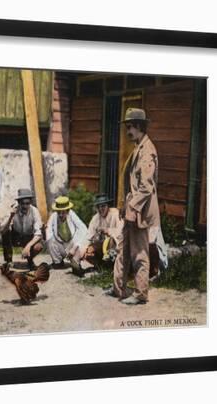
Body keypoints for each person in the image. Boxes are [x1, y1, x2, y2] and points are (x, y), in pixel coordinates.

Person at [108, 108, 161, 305]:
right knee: (123, 250)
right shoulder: (138, 148)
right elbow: (132, 184)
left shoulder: (148, 151)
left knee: (139, 253)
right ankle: (119, 288)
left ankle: (140, 293)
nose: (127, 131)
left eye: (129, 127)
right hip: (131, 209)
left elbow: (146, 188)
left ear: (139, 127)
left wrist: (133, 209)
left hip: (139, 213)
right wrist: (124, 206)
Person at [72, 194, 123, 269]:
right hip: (101, 245)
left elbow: (121, 232)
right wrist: (81, 251)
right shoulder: (95, 218)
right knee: (88, 252)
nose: (100, 209)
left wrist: (108, 230)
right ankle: (101, 266)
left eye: (103, 206)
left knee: (110, 241)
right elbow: (88, 236)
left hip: (116, 245)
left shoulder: (115, 214)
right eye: (98, 206)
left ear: (108, 206)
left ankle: (112, 266)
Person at [0, 188, 44, 269]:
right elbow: (2, 230)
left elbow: (38, 233)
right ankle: (8, 261)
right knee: (6, 233)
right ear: (19, 202)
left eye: (27, 203)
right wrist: (10, 217)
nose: (25, 206)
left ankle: (30, 260)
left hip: (28, 237)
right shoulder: (13, 210)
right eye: (22, 203)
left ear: (30, 202)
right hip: (16, 236)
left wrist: (28, 246)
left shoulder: (34, 211)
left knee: (39, 246)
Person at [45, 196, 88, 270]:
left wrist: (75, 247)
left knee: (76, 264)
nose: (61, 215)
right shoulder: (53, 216)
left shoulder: (72, 215)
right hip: (61, 244)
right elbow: (48, 232)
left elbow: (83, 229)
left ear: (68, 211)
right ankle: (57, 262)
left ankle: (75, 262)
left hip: (72, 244)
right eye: (59, 212)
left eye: (63, 212)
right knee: (50, 240)